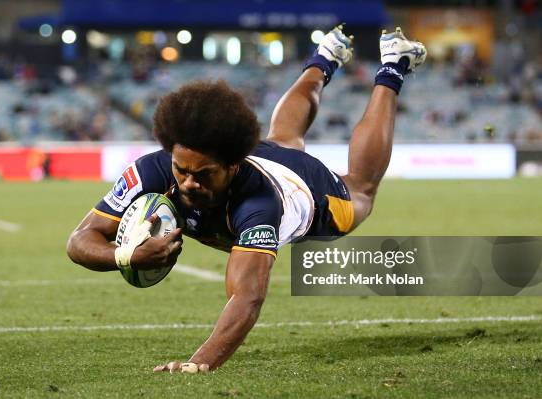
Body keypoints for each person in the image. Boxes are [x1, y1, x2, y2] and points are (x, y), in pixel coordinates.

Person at [67, 26, 426, 373]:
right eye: (181, 170)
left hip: (308, 190)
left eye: (203, 174)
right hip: (264, 154)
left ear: (233, 165)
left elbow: (247, 296)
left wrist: (200, 362)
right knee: (282, 137)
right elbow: (79, 241)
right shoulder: (151, 171)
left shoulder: (259, 207)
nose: (189, 182)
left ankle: (393, 67)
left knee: (360, 189)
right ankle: (324, 58)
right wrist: (126, 255)